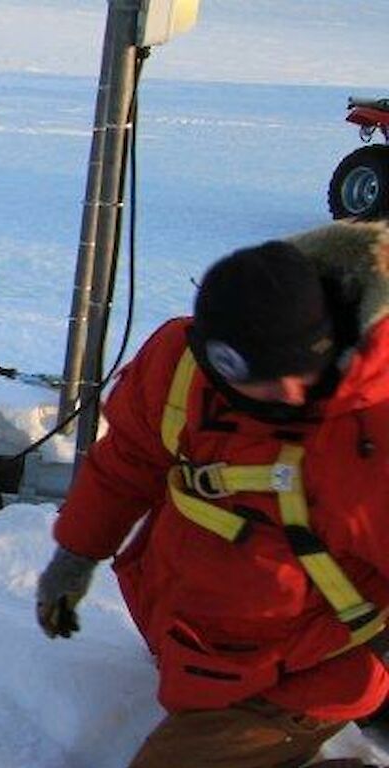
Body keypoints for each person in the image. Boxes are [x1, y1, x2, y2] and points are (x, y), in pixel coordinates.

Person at [36, 225, 389, 768]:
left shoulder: (373, 428)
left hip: (302, 673)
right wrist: (76, 555)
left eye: (306, 370)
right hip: (194, 637)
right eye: (271, 380)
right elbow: (125, 463)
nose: (294, 395)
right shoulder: (178, 367)